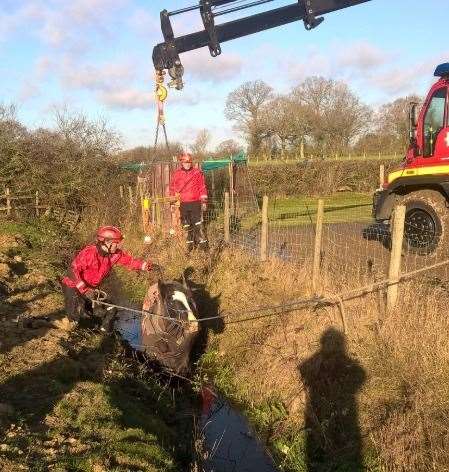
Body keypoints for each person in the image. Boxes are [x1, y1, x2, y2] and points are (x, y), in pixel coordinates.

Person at [60, 225, 158, 330]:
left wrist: (146, 266)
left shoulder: (114, 254)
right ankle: (68, 322)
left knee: (111, 310)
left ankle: (104, 332)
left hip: (90, 289)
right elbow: (72, 271)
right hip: (73, 287)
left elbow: (130, 261)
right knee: (79, 319)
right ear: (107, 243)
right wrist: (84, 289)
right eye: (116, 243)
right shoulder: (90, 253)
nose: (118, 246)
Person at [169, 152, 208, 251]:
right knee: (187, 226)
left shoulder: (197, 173)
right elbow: (172, 188)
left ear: (191, 162)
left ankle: (203, 248)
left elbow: (202, 187)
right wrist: (172, 203)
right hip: (183, 204)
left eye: (189, 162)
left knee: (198, 224)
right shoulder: (177, 174)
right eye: (185, 162)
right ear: (181, 162)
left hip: (195, 203)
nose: (187, 164)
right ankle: (190, 247)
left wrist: (203, 202)